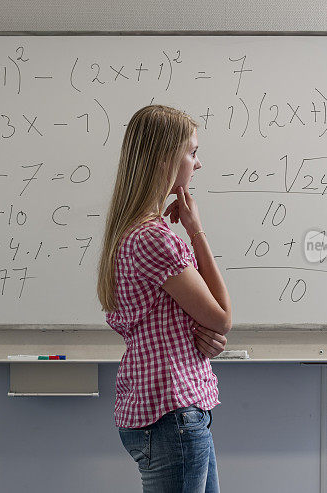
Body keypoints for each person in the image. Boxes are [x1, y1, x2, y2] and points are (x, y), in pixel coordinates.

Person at [96, 105, 232, 492]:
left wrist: (205, 340)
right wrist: (197, 230)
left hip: (166, 409)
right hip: (174, 412)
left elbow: (188, 323)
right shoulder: (155, 237)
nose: (198, 163)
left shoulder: (130, 232)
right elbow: (222, 317)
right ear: (165, 159)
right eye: (192, 152)